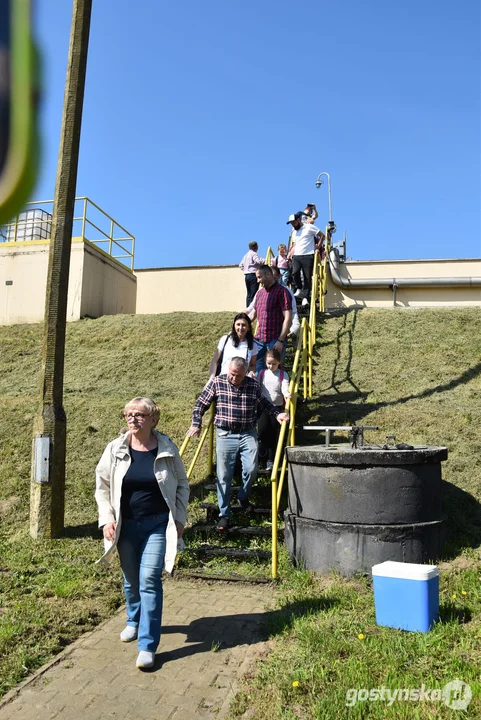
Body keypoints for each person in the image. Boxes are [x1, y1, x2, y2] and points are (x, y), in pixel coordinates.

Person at [95, 397, 189, 670]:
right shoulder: (115, 449)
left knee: (149, 580)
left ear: (153, 419)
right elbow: (102, 486)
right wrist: (106, 520)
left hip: (158, 524)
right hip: (124, 526)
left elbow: (182, 484)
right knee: (131, 578)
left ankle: (147, 645)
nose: (133, 419)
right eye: (128, 414)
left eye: (139, 415)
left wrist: (180, 518)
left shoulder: (167, 448)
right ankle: (133, 619)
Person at [187, 358, 289, 530]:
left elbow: (264, 402)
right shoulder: (218, 382)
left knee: (251, 468)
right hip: (225, 434)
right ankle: (224, 514)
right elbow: (200, 404)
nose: (235, 378)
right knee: (224, 475)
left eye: (239, 376)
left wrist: (277, 413)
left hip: (247, 432)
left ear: (244, 374)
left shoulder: (253, 385)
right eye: (233, 374)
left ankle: (243, 495)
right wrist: (196, 424)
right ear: (229, 369)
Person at [248, 265, 292, 373]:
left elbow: (288, 317)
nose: (258, 281)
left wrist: (281, 340)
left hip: (275, 340)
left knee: (275, 373)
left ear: (268, 274)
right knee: (256, 373)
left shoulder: (282, 292)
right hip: (259, 340)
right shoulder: (259, 294)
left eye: (259, 277)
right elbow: (253, 314)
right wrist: (239, 325)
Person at [258, 348, 291, 472]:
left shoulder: (283, 374)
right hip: (262, 406)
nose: (270, 366)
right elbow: (256, 385)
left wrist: (287, 394)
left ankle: (270, 460)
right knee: (261, 431)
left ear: (279, 362)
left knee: (273, 434)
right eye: (268, 363)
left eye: (273, 363)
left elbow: (284, 387)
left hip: (277, 408)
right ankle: (262, 448)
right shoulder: (262, 373)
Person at [286, 212, 325, 307]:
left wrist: (317, 247)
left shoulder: (309, 227)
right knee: (295, 273)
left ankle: (305, 298)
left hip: (308, 255)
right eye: (291, 223)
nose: (293, 225)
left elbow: (322, 236)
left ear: (299, 220)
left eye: (294, 222)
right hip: (297, 255)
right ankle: (299, 288)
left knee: (307, 277)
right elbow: (295, 244)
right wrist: (290, 253)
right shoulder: (294, 231)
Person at [209, 313, 259, 379]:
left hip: (241, 381)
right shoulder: (225, 340)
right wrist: (211, 379)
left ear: (248, 327)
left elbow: (252, 365)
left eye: (244, 325)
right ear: (234, 326)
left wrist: (251, 373)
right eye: (238, 324)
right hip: (223, 380)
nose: (240, 328)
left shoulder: (253, 345)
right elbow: (215, 361)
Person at [239, 241, 265, 306]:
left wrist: (246, 269)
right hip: (253, 275)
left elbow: (240, 265)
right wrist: (264, 261)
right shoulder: (254, 254)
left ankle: (248, 307)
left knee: (249, 294)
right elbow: (258, 261)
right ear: (256, 247)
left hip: (247, 275)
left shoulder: (246, 255)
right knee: (253, 293)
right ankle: (252, 308)